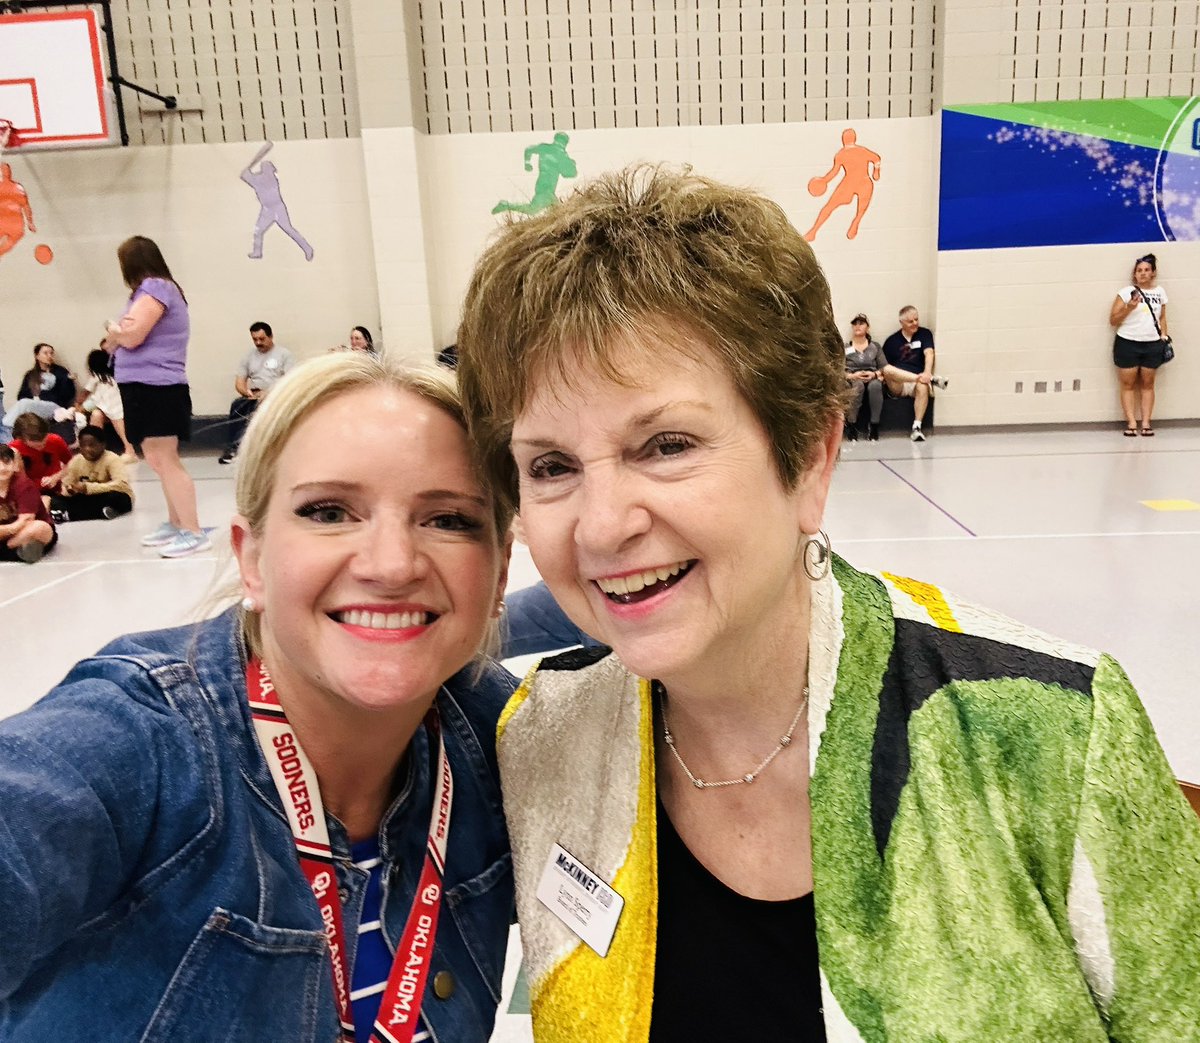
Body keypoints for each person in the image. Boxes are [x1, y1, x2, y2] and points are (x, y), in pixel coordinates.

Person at [457, 166, 1200, 1042]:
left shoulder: (1048, 732)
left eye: (665, 443)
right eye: (551, 465)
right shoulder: (532, 739)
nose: (604, 525)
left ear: (811, 455)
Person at [0, 352, 516, 1041]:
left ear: (501, 569)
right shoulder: (140, 741)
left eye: (449, 519)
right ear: (250, 558)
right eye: (330, 511)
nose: (392, 564)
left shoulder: (497, 738)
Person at [103, 235, 209, 557]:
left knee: (166, 458)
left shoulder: (156, 287)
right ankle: (176, 522)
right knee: (156, 459)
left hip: (158, 385)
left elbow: (131, 336)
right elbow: (118, 340)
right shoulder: (145, 292)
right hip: (141, 384)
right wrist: (117, 335)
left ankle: (192, 529)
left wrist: (115, 330)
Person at [1110, 253, 1169, 437]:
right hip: (1128, 342)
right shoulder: (1126, 292)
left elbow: (1162, 316)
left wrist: (1163, 335)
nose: (1143, 274)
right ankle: (1131, 423)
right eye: (1139, 271)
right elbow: (1113, 319)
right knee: (1127, 384)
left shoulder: (1160, 292)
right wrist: (1129, 307)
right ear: (1134, 274)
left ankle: (1146, 423)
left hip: (1152, 344)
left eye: (1146, 270)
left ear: (1153, 273)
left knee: (1148, 383)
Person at [219, 321, 295, 464]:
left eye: (262, 339)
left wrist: (269, 392)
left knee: (263, 407)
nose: (258, 342)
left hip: (276, 394)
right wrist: (246, 392)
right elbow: (240, 382)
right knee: (238, 406)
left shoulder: (284, 355)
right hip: (254, 395)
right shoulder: (248, 357)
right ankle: (235, 449)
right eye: (255, 339)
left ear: (271, 337)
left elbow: (290, 379)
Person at [881, 305, 947, 443]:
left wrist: (927, 372)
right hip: (900, 383)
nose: (915, 323)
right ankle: (929, 380)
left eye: (916, 319)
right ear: (902, 323)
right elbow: (884, 368)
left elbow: (929, 353)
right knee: (887, 370)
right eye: (910, 321)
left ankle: (916, 428)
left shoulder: (924, 334)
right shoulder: (891, 341)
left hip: (919, 382)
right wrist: (922, 378)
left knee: (922, 385)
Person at [48, 425, 134, 522]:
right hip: (88, 498)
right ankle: (100, 513)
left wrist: (88, 488)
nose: (87, 449)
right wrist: (70, 490)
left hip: (108, 495)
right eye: (83, 445)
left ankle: (71, 515)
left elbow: (121, 485)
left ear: (103, 445)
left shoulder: (112, 459)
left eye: (91, 445)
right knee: (56, 501)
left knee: (119, 498)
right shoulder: (76, 460)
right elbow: (66, 485)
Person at [77, 346, 138, 461]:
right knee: (99, 416)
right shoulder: (112, 377)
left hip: (109, 406)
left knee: (118, 426)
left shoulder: (96, 377)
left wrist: (78, 405)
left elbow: (85, 393)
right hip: (112, 406)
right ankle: (98, 449)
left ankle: (129, 451)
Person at [0, 442, 56, 563]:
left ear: (15, 465)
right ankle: (19, 552)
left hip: (23, 531)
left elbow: (26, 520)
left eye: (6, 462)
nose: (2, 468)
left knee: (40, 528)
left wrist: (7, 530)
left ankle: (8, 551)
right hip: (4, 533)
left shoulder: (24, 485)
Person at [9, 411, 71, 499]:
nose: (42, 446)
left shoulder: (55, 440)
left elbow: (72, 464)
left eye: (44, 441)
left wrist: (56, 477)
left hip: (56, 489)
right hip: (28, 492)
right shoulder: (14, 449)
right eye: (37, 445)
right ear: (21, 438)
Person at [842, 313, 885, 441]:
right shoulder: (846, 347)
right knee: (858, 386)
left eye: (861, 323)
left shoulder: (875, 346)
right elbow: (838, 369)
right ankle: (852, 424)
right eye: (855, 323)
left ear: (867, 327)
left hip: (872, 376)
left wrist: (875, 374)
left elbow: (884, 367)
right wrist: (851, 375)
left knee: (876, 386)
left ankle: (874, 426)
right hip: (854, 377)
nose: (857, 326)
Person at [16, 342, 76, 410]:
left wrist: (68, 381)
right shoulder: (30, 375)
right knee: (23, 404)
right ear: (37, 356)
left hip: (56, 407)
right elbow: (21, 396)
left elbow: (68, 396)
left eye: (51, 353)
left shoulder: (60, 371)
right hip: (34, 407)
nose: (49, 356)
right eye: (45, 353)